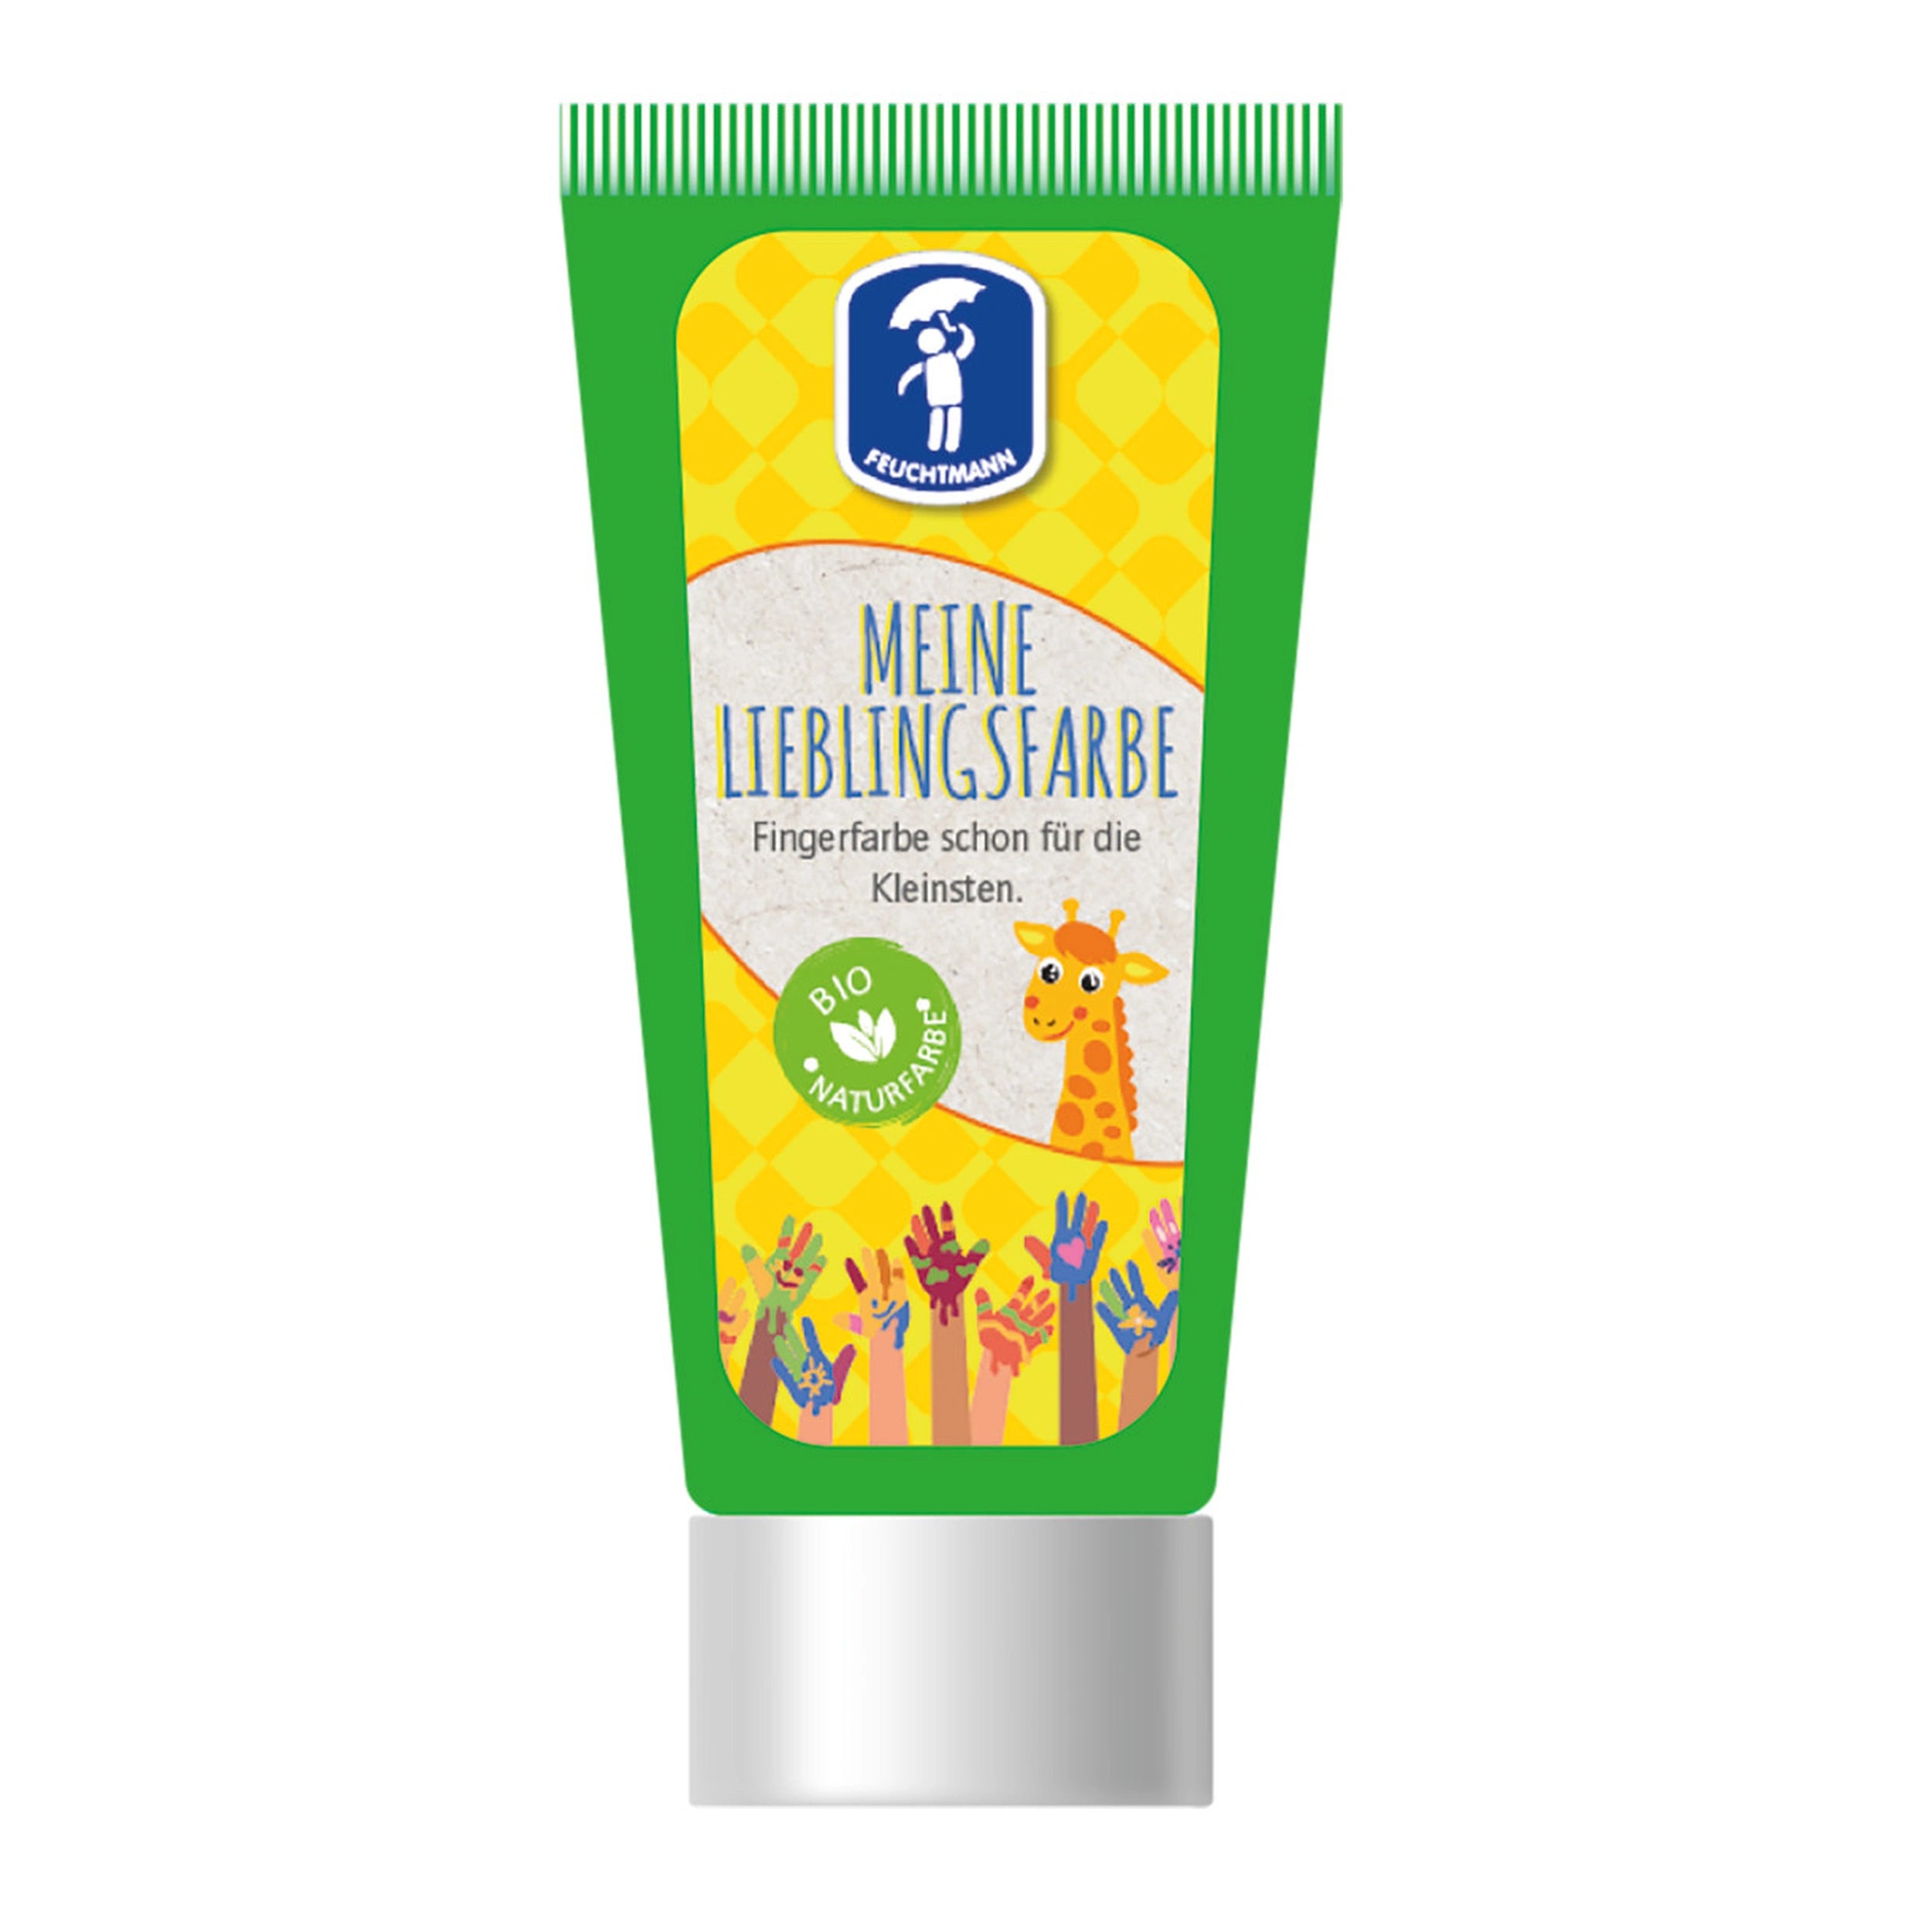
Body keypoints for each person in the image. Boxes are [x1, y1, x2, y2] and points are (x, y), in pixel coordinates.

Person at [897, 315, 975, 453]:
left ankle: (941, 445)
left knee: (944, 419)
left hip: (942, 400)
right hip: (945, 400)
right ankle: (946, 445)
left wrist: (965, 331)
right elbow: (967, 346)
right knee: (947, 418)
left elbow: (967, 345)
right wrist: (964, 330)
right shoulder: (945, 359)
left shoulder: (942, 359)